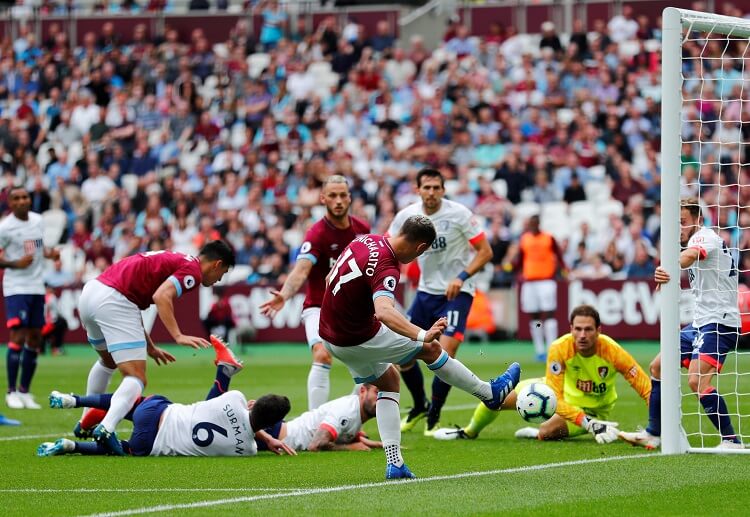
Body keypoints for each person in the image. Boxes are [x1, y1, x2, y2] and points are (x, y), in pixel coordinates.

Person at [318, 214, 520, 479]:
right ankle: (488, 393)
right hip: (357, 337)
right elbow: (384, 312)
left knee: (389, 381)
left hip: (330, 336)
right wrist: (422, 334)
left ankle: (395, 463)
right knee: (431, 349)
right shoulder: (387, 267)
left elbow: (329, 281)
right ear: (421, 248)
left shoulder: (364, 240)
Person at [75, 240, 235, 455]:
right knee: (136, 378)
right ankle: (106, 427)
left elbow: (132, 305)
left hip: (92, 292)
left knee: (108, 362)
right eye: (222, 274)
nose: (218, 280)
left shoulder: (178, 259)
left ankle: (87, 420)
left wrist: (149, 347)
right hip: (114, 299)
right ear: (217, 264)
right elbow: (161, 296)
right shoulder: (193, 272)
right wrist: (177, 335)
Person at [620, 198, 744, 449]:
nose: (679, 228)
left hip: (720, 323)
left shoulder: (704, 237)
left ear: (697, 219)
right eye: (675, 223)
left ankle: (731, 440)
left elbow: (688, 257)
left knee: (697, 382)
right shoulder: (697, 239)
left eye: (683, 222)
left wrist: (668, 265)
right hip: (701, 323)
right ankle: (654, 433)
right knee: (658, 367)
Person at [39, 336, 294, 457]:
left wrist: (262, 432)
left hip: (157, 412)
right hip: (151, 444)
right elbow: (247, 426)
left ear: (252, 403)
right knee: (127, 450)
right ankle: (70, 446)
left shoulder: (235, 398)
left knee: (131, 402)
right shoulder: (247, 450)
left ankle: (75, 400)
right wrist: (266, 437)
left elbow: (214, 405)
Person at [434, 305, 650, 444]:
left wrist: (658, 426)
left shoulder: (612, 351)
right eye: (578, 329)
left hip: (593, 409)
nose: (582, 335)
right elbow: (556, 396)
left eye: (588, 329)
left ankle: (535, 430)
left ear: (599, 330)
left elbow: (644, 385)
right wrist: (586, 423)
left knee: (546, 432)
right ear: (571, 328)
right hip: (558, 394)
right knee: (497, 395)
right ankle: (468, 432)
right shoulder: (560, 347)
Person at [388, 168, 493, 436]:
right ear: (418, 190)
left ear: (444, 190)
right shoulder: (406, 217)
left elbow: (485, 252)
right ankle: (420, 405)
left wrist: (461, 276)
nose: (432, 192)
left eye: (437, 187)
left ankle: (434, 413)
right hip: (425, 293)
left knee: (444, 354)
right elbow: (391, 249)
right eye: (427, 187)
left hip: (457, 293)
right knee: (404, 355)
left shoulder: (459, 214)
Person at [260, 175, 369, 410]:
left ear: (350, 197)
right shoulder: (317, 234)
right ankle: (314, 420)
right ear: (323, 199)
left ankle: (350, 419)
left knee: (371, 367)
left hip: (352, 312)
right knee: (322, 355)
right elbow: (301, 270)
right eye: (333, 195)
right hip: (319, 308)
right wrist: (285, 294)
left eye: (342, 195)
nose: (338, 200)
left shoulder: (363, 229)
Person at [0, 187, 60, 409]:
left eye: (25, 197)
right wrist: (15, 264)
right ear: (10, 203)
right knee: (18, 335)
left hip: (36, 286)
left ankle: (25, 391)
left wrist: (50, 254)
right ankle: (11, 392)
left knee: (35, 338)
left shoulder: (37, 220)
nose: (23, 201)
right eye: (17, 198)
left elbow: (36, 246)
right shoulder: (5, 228)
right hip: (16, 287)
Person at [506, 214, 567, 362]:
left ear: (539, 223)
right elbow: (521, 259)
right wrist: (512, 267)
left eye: (534, 222)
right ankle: (540, 350)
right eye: (530, 223)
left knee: (548, 314)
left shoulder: (548, 238)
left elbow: (558, 255)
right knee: (534, 316)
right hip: (530, 282)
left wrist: (564, 269)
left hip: (546, 281)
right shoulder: (525, 239)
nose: (532, 225)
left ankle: (552, 348)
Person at [265, 383, 382, 452]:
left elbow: (345, 435)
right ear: (362, 391)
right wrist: (350, 447)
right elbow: (315, 445)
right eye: (377, 392)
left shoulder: (355, 408)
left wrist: (377, 444)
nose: (382, 399)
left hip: (277, 432)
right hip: (274, 435)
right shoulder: (347, 412)